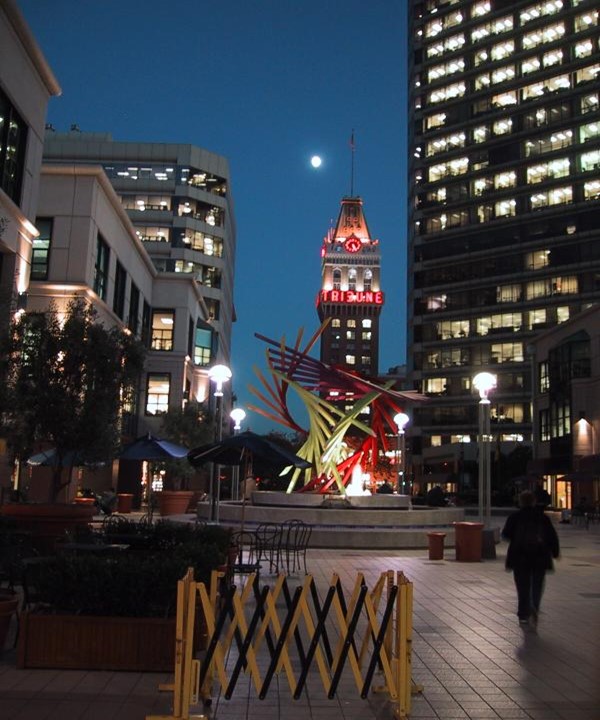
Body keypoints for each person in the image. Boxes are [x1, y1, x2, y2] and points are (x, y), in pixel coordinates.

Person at [502, 489, 560, 628]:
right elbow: (552, 536)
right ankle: (534, 605)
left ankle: (523, 613)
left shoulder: (515, 517)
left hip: (520, 556)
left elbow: (506, 535)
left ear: (520, 501)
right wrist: (555, 552)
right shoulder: (542, 517)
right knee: (537, 584)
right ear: (534, 501)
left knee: (522, 586)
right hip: (540, 556)